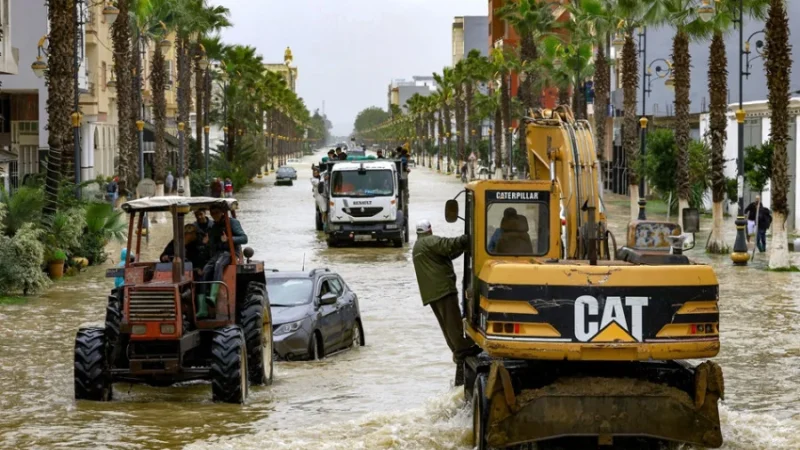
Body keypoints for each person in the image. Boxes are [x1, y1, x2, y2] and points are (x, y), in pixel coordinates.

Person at [412, 219, 481, 386]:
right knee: (454, 324)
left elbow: (447, 253)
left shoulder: (418, 246)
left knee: (447, 327)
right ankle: (463, 351)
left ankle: (459, 352)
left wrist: (462, 248)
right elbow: (448, 245)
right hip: (443, 289)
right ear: (430, 230)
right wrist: (468, 238)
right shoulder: (430, 241)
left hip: (431, 293)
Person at [199, 204, 248, 318]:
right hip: (218, 253)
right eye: (212, 213)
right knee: (205, 270)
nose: (214, 215)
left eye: (216, 212)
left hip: (230, 253)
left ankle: (213, 295)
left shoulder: (232, 223)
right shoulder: (213, 226)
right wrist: (206, 243)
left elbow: (244, 238)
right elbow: (212, 244)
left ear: (222, 212)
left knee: (218, 264)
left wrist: (230, 239)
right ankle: (202, 307)